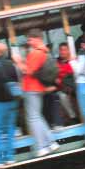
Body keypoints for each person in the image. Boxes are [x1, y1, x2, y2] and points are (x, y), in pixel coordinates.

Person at [13, 28, 59, 157]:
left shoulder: (36, 53)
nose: (29, 42)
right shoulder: (45, 51)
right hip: (38, 88)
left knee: (33, 118)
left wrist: (18, 61)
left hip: (31, 88)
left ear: (37, 39)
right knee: (37, 116)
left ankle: (42, 147)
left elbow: (28, 71)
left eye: (30, 39)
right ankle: (51, 143)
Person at [56, 42, 77, 124]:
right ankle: (73, 117)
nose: (62, 52)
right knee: (62, 96)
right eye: (61, 50)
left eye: (64, 50)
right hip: (63, 87)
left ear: (69, 51)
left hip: (75, 85)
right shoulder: (56, 62)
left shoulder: (73, 61)